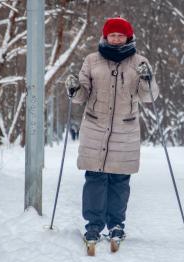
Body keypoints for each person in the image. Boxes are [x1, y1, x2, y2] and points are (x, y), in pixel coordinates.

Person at [64, 17, 159, 246]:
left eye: (120, 35)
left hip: (125, 131)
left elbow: (150, 97)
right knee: (94, 179)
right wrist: (74, 89)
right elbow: (82, 96)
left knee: (119, 180)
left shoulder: (140, 62)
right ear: (105, 36)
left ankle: (116, 225)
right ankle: (93, 227)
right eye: (112, 35)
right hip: (95, 128)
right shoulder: (92, 61)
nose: (116, 39)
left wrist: (147, 79)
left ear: (129, 37)